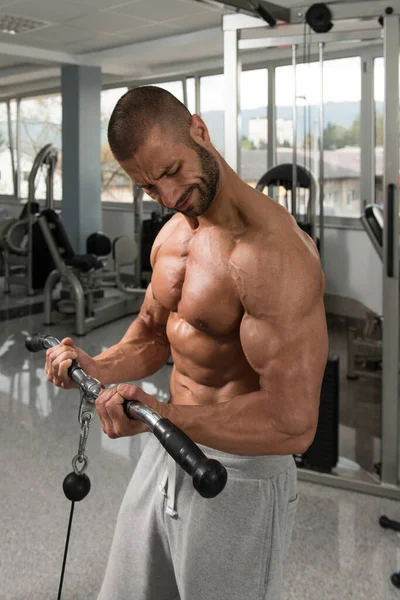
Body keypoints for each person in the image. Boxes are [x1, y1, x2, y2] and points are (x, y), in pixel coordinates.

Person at [45, 86, 329, 600]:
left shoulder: (277, 255)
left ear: (199, 129)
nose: (169, 197)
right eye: (150, 188)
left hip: (238, 473)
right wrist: (96, 363)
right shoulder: (173, 237)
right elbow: (152, 338)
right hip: (168, 444)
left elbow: (294, 422)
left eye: (172, 172)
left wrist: (164, 413)